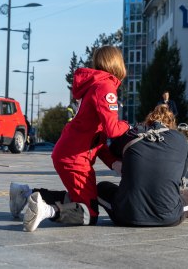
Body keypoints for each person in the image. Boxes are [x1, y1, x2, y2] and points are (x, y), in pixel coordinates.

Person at [10, 46, 130, 232]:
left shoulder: (95, 85)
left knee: (77, 201)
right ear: (117, 63)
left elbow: (97, 139)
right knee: (89, 214)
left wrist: (114, 163)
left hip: (70, 152)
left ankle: (25, 194)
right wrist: (129, 126)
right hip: (76, 158)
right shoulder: (106, 87)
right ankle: (46, 211)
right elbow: (113, 130)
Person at [96, 104, 188, 227]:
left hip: (126, 215)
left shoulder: (133, 133)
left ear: (149, 120)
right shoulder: (181, 139)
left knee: (101, 187)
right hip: (168, 216)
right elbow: (181, 177)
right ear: (172, 124)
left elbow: (113, 150)